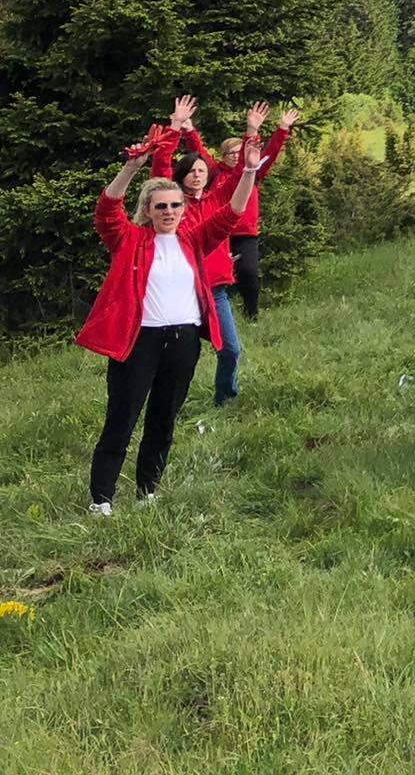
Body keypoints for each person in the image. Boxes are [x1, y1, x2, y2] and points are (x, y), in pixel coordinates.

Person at [77, 116, 265, 515]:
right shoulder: (130, 239)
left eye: (175, 205)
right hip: (139, 342)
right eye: (161, 206)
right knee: (122, 419)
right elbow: (108, 209)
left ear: (183, 209)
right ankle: (101, 499)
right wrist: (132, 166)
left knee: (164, 419)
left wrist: (248, 170)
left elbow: (233, 211)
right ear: (147, 209)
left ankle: (148, 490)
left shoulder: (193, 237)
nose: (169, 211)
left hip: (182, 342)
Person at [157, 96, 299, 405]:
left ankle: (224, 399)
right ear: (181, 177)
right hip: (183, 291)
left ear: (209, 174)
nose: (197, 174)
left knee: (231, 350)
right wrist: (176, 126)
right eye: (191, 171)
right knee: (181, 358)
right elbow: (160, 168)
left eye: (201, 170)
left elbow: (244, 173)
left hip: (216, 290)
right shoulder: (172, 204)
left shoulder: (218, 197)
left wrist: (253, 131)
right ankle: (169, 405)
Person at [210, 108, 296, 322]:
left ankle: (252, 315)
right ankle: (215, 316)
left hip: (245, 233)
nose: (234, 157)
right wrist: (189, 130)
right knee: (215, 278)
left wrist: (282, 128)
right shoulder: (215, 174)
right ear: (222, 156)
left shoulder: (253, 172)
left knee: (248, 272)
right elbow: (197, 153)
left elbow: (270, 153)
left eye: (237, 153)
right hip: (220, 234)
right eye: (230, 153)